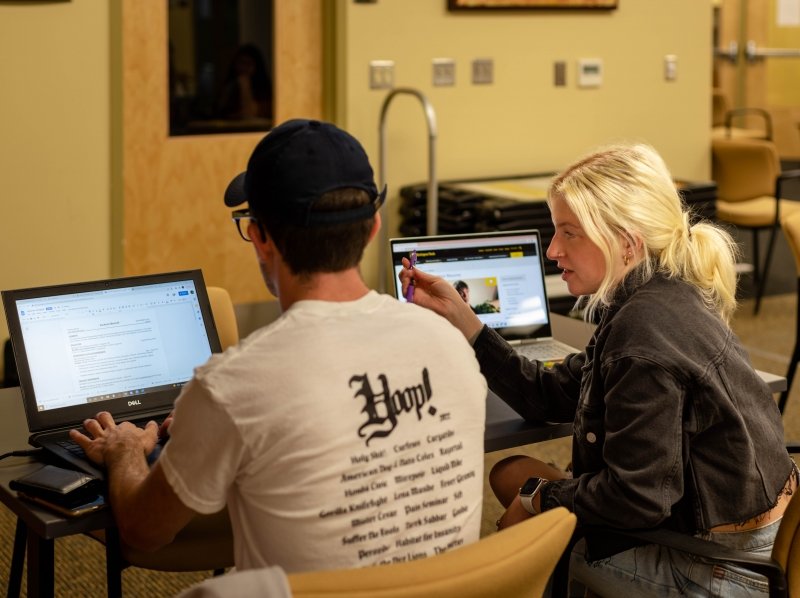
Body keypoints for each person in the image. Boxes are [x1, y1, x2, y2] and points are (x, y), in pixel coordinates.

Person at [70, 119, 487, 573]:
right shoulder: (452, 344)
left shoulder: (232, 387)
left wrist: (125, 450)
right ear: (372, 228)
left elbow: (142, 531)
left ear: (260, 236)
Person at [399, 142, 797, 597]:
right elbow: (550, 394)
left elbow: (637, 499)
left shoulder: (642, 335)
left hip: (717, 565)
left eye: (569, 233)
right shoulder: (659, 292)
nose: (552, 250)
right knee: (510, 474)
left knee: (524, 536)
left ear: (625, 242)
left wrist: (541, 500)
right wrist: (468, 322)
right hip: (731, 525)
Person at [214, 43, 272, 120]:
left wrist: (245, 85)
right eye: (241, 63)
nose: (243, 68)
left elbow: (249, 114)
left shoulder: (264, 89)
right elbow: (219, 111)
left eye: (248, 64)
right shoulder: (231, 86)